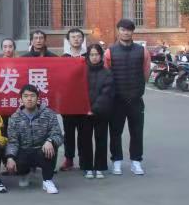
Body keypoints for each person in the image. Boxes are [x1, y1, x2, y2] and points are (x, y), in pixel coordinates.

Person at [104, 18, 150, 176]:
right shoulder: (110, 52)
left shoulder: (142, 51)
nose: (126, 32)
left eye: (129, 30)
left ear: (132, 32)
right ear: (118, 31)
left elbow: (146, 74)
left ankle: (136, 162)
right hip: (116, 100)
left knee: (137, 132)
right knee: (115, 132)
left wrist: (137, 90)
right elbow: (106, 75)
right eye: (123, 30)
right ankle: (116, 161)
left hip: (136, 99)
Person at [5, 84, 64, 194]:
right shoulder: (15, 118)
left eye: (32, 96)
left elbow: (58, 135)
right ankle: (24, 173)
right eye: (26, 96)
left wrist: (50, 141)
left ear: (38, 99)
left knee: (51, 147)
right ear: (21, 100)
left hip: (41, 150)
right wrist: (10, 157)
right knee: (15, 157)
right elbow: (12, 141)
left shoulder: (48, 114)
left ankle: (47, 180)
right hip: (24, 151)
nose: (29, 99)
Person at [78, 44, 114, 179]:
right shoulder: (82, 71)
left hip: (101, 112)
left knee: (101, 139)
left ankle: (100, 167)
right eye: (91, 55)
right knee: (85, 140)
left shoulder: (107, 73)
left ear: (101, 56)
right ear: (88, 56)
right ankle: (87, 167)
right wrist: (86, 108)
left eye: (97, 54)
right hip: (84, 113)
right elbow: (78, 91)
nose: (94, 57)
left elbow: (106, 93)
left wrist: (94, 109)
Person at [60, 27, 87, 172]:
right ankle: (69, 159)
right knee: (69, 134)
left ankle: (84, 160)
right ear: (68, 40)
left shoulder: (89, 56)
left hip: (85, 102)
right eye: (73, 37)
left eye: (79, 36)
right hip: (68, 103)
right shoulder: (63, 58)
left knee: (84, 134)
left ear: (83, 39)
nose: (76, 39)